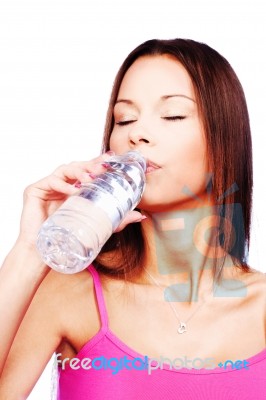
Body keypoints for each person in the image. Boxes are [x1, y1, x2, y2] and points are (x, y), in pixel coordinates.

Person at [0, 38, 265, 400]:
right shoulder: (71, 293)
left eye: (172, 115)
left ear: (225, 139)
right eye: (124, 118)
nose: (134, 134)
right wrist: (30, 250)